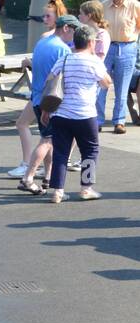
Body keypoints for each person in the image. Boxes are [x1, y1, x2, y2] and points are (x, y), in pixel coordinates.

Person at [45, 25, 111, 201]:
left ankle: (58, 191)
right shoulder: (94, 61)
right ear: (90, 42)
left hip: (60, 113)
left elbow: (50, 80)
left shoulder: (65, 59)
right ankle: (86, 189)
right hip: (84, 114)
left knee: (60, 152)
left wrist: (46, 110)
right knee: (90, 150)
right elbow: (106, 83)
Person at [10, 1, 68, 175]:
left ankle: (29, 166)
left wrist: (30, 62)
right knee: (44, 133)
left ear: (58, 18)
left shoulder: (49, 39)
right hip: (44, 93)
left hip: (44, 94)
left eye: (48, 16)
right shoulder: (56, 39)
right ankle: (45, 171)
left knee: (32, 129)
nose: (44, 18)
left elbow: (48, 69)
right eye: (44, 15)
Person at [100, 0, 139, 132]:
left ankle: (119, 121)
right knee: (100, 86)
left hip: (127, 46)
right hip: (106, 46)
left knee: (122, 88)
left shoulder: (135, 6)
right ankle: (97, 120)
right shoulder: (103, 5)